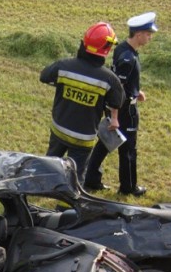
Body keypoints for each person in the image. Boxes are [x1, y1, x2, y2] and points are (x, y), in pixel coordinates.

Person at [84, 12, 158, 196]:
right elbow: (118, 87)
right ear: (139, 34)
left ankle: (91, 178)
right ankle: (128, 187)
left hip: (117, 107)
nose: (150, 37)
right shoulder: (129, 58)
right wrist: (115, 116)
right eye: (148, 34)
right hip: (125, 111)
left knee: (105, 143)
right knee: (128, 150)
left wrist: (136, 90)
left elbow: (120, 80)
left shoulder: (123, 49)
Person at [41, 22, 125, 183]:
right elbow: (117, 101)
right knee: (76, 176)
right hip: (83, 137)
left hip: (59, 130)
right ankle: (67, 206)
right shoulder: (109, 79)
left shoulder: (63, 66)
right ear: (106, 49)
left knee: (49, 165)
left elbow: (44, 76)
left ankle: (43, 188)